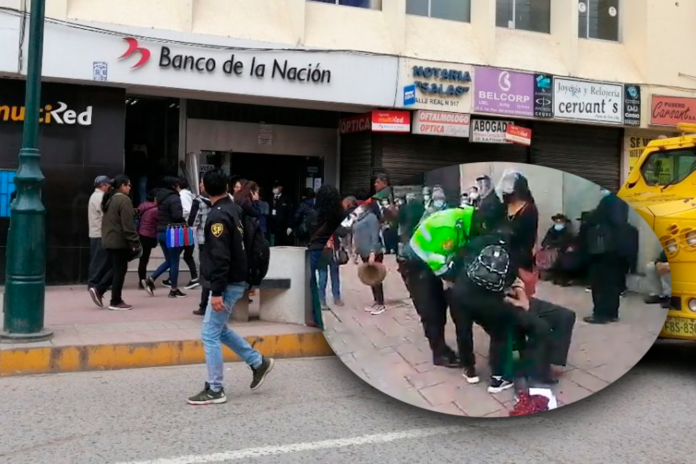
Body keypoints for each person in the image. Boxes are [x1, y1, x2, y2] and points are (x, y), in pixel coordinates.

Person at [187, 170, 274, 406]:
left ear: (204, 187)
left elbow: (220, 257)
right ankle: (258, 362)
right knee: (218, 330)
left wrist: (216, 292)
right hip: (237, 279)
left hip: (227, 283)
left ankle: (215, 388)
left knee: (209, 334)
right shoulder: (234, 208)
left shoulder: (217, 216)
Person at [398, 206, 478, 369]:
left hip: (426, 261)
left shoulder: (464, 220)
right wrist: (454, 281)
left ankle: (440, 346)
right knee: (431, 310)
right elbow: (439, 265)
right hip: (415, 265)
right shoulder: (448, 228)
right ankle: (439, 354)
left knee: (439, 306)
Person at [89, 176, 141, 311]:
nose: (130, 187)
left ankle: (100, 289)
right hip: (118, 241)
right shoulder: (123, 200)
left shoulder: (111, 199)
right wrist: (135, 242)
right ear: (122, 186)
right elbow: (128, 225)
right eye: (128, 185)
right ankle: (115, 300)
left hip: (110, 239)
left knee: (118, 268)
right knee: (119, 271)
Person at [583, 187, 628, 324]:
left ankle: (600, 314)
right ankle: (612, 313)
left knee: (599, 282)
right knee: (612, 282)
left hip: (602, 249)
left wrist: (589, 216)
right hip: (617, 248)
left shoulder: (608, 201)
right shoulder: (624, 202)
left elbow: (594, 217)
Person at [307, 185, 346, 328]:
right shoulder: (339, 215)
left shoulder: (313, 214)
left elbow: (305, 231)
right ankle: (337, 297)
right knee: (334, 272)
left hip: (316, 249)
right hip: (333, 248)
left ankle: (319, 304)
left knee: (318, 276)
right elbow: (343, 232)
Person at [143, 176, 187, 299]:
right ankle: (173, 289)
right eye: (177, 184)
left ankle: (151, 279)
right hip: (172, 232)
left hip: (161, 233)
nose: (179, 187)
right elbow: (177, 215)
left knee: (169, 260)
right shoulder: (174, 198)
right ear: (174, 186)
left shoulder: (161, 197)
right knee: (174, 262)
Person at [497, 170, 539, 298]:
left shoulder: (529, 208)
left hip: (520, 255)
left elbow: (529, 237)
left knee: (520, 291)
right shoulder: (504, 206)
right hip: (502, 254)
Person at [353, 203, 386, 315]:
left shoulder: (371, 218)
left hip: (373, 252)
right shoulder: (359, 218)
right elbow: (357, 236)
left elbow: (374, 236)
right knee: (370, 278)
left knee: (376, 278)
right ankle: (376, 301)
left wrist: (373, 252)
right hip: (363, 252)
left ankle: (380, 303)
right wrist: (356, 252)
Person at [190, 181, 213, 316]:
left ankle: (204, 306)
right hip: (220, 241)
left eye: (202, 184)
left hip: (204, 241)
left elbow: (192, 222)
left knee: (205, 273)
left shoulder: (198, 202)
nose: (199, 186)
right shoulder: (225, 200)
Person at [88, 176, 113, 289]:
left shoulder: (95, 195)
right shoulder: (100, 196)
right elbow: (105, 214)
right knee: (99, 261)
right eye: (108, 184)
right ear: (102, 185)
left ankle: (97, 283)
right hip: (100, 233)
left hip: (97, 233)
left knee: (100, 260)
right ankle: (93, 283)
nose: (110, 186)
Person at [174, 177, 200, 290]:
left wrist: (178, 213)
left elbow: (187, 210)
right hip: (189, 228)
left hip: (184, 227)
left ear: (178, 186)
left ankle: (169, 279)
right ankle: (194, 278)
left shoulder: (182, 195)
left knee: (176, 255)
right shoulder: (190, 195)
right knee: (187, 255)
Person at [539, 214, 576, 286]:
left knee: (561, 258)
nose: (558, 223)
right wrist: (548, 245)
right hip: (551, 251)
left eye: (560, 222)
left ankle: (561, 278)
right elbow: (545, 241)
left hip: (562, 251)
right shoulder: (551, 231)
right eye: (557, 221)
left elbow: (566, 242)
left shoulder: (567, 232)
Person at [136, 189, 159, 289]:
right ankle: (142, 282)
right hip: (149, 236)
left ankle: (141, 280)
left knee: (143, 259)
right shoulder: (156, 210)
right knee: (145, 259)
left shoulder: (142, 205)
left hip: (141, 234)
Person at [268, 180, 293, 247]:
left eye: (276, 187)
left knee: (280, 245)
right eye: (274, 187)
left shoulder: (286, 199)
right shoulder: (270, 198)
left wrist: (289, 225)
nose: (274, 189)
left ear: (281, 188)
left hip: (282, 227)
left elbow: (290, 213)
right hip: (272, 226)